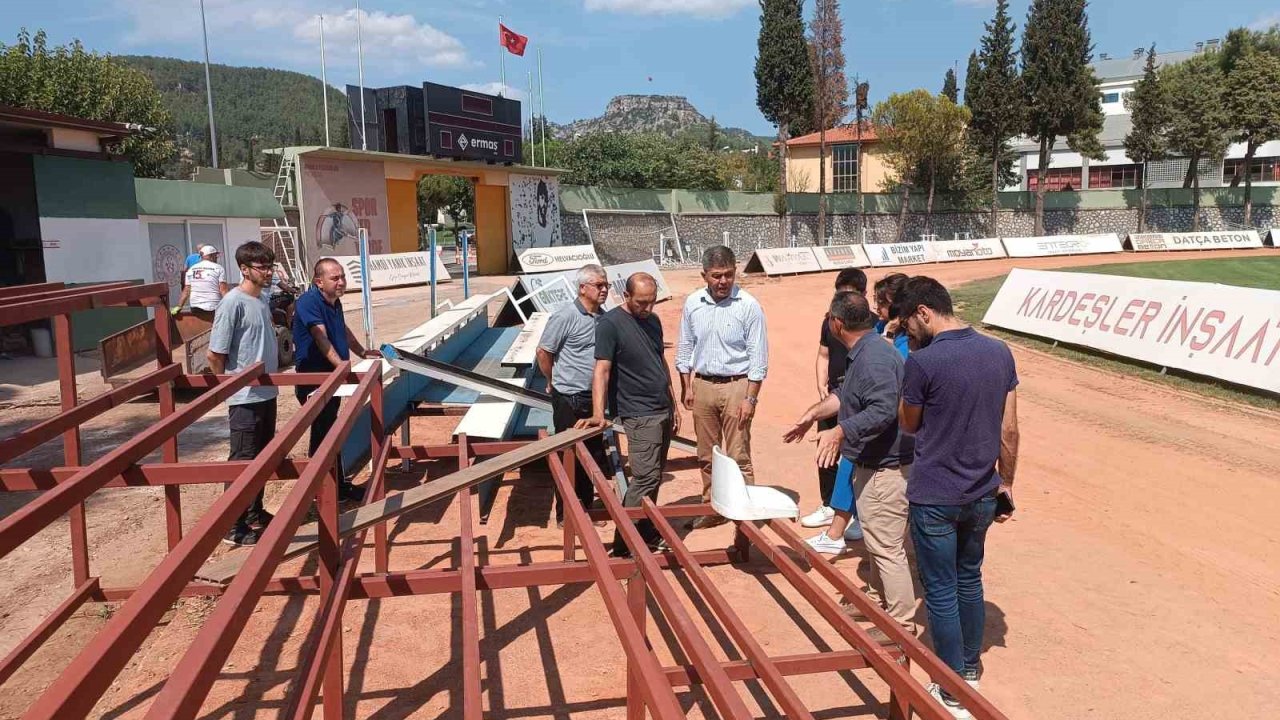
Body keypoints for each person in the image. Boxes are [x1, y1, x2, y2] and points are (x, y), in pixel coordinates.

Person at [895, 276, 1020, 719]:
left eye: (909, 322)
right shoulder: (999, 352)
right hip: (983, 490)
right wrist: (1006, 483)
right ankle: (968, 668)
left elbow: (909, 424)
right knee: (970, 578)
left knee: (941, 589)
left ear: (925, 312)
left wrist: (910, 372)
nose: (907, 331)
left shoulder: (923, 362)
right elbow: (1009, 429)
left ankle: (950, 687)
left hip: (934, 494)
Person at [783, 292, 917, 639]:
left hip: (887, 468)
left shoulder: (873, 358)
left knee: (887, 548)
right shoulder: (866, 351)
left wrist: (841, 431)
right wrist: (814, 414)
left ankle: (900, 625)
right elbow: (846, 396)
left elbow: (883, 410)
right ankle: (874, 599)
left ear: (836, 323)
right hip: (871, 463)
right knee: (874, 538)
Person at [576, 273, 680, 558]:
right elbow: (602, 370)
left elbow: (659, 361)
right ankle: (624, 543)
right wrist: (599, 413)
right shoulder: (610, 324)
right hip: (638, 412)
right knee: (645, 478)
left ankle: (645, 532)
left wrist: (673, 403)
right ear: (626, 296)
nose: (647, 308)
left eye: (652, 302)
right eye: (641, 303)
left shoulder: (653, 321)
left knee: (655, 477)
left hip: (661, 408)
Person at [675, 245, 768, 530]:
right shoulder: (693, 304)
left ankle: (744, 511)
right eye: (716, 276)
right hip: (702, 386)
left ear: (735, 272)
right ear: (704, 275)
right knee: (706, 454)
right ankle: (712, 507)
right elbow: (685, 346)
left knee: (739, 453)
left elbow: (758, 357)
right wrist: (687, 386)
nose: (723, 281)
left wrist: (750, 399)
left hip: (737, 386)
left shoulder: (749, 306)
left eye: (728, 274)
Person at [206, 241, 280, 546]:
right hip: (245, 398)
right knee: (242, 459)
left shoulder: (262, 300)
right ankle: (231, 524)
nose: (267, 272)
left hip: (267, 393)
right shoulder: (232, 303)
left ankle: (253, 512)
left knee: (262, 458)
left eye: (269, 266)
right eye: (261, 267)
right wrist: (230, 388)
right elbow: (215, 355)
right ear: (244, 269)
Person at [536, 263, 612, 526]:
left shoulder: (604, 317)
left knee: (591, 455)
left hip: (595, 397)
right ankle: (566, 515)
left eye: (606, 285)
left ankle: (587, 510)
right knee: (569, 455)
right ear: (582, 288)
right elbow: (544, 352)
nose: (604, 290)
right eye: (599, 285)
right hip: (569, 397)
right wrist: (552, 380)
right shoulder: (565, 316)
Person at [803, 268, 868, 541]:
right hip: (832, 397)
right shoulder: (828, 322)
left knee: (858, 456)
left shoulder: (873, 325)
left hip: (860, 399)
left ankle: (859, 514)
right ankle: (829, 504)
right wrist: (821, 384)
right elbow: (822, 354)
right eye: (839, 294)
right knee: (825, 451)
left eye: (849, 294)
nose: (841, 300)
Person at [293, 258, 365, 503]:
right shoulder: (308, 302)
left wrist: (362, 352)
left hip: (333, 378)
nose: (341, 282)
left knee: (330, 433)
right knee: (324, 434)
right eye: (335, 278)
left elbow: (342, 329)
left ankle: (335, 485)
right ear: (319, 281)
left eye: (342, 276)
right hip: (315, 380)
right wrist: (342, 366)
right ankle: (322, 490)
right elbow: (320, 337)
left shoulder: (334, 302)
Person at [175, 245, 228, 321]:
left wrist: (179, 307)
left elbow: (186, 291)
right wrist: (231, 306)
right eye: (216, 255)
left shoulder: (191, 269)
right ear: (211, 256)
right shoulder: (219, 268)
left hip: (195, 309)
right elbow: (223, 290)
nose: (217, 257)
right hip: (213, 308)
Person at [873, 273, 911, 359]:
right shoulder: (881, 325)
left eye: (881, 303)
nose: (875, 307)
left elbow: (884, 363)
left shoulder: (910, 340)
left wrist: (888, 334)